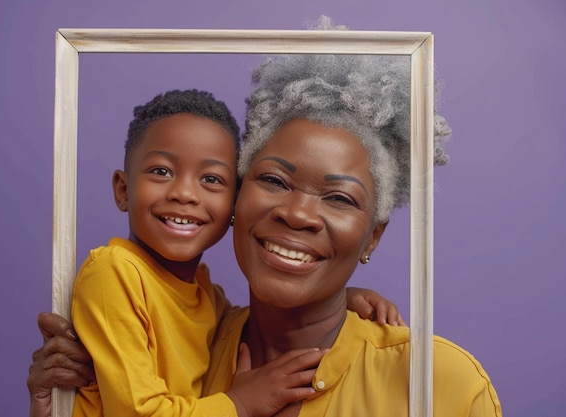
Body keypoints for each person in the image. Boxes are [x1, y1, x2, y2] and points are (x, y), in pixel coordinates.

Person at [33, 88, 405, 417]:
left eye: (211, 180)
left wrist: (340, 298)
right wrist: (239, 404)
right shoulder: (114, 271)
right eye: (161, 171)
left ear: (232, 203)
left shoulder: (205, 296)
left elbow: (217, 321)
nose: (185, 194)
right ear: (122, 189)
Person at [199, 19, 502, 416]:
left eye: (339, 199)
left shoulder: (438, 383)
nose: (297, 214)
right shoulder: (174, 349)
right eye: (274, 179)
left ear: (373, 237)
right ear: (238, 196)